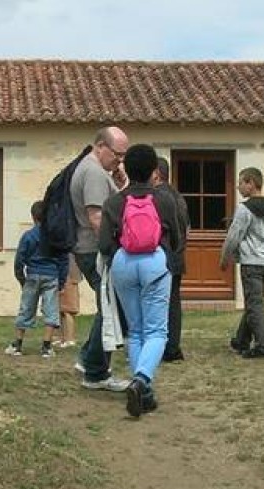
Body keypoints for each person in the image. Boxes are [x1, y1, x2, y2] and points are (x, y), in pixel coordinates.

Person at [97, 145, 187, 418]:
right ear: (153, 171)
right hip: (155, 263)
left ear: (127, 169)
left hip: (123, 263)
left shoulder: (114, 202)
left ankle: (144, 393)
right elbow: (179, 236)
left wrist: (118, 258)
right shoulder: (164, 200)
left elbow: (103, 243)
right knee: (158, 331)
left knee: (135, 331)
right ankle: (141, 381)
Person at [73, 127, 131, 391]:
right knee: (109, 309)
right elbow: (97, 218)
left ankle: (88, 360)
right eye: (116, 155)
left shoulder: (92, 169)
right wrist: (112, 250)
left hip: (88, 248)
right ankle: (96, 372)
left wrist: (120, 186)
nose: (119, 161)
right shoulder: (95, 173)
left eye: (123, 156)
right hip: (95, 250)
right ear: (100, 146)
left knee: (106, 307)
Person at [220, 167, 264, 359]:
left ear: (251, 183)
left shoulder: (244, 209)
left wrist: (224, 257)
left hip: (252, 262)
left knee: (254, 304)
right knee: (255, 303)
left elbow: (234, 236)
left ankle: (263, 347)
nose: (237, 186)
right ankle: (241, 341)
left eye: (241, 182)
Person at [10, 201, 69, 358]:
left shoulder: (28, 236)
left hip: (33, 274)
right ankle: (46, 346)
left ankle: (17, 345)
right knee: (51, 310)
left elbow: (19, 260)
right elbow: (64, 260)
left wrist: (21, 278)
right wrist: (62, 281)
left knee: (26, 308)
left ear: (33, 217)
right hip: (51, 275)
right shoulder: (56, 237)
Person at [154, 157, 190, 362]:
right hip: (177, 256)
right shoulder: (179, 197)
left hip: (162, 256)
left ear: (156, 173)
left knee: (158, 304)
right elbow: (187, 229)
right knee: (173, 304)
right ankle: (173, 347)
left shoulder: (157, 197)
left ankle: (163, 347)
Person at [57, 254, 82, 348]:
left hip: (69, 276)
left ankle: (70, 338)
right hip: (63, 276)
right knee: (61, 310)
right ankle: (62, 338)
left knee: (68, 310)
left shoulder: (69, 251)